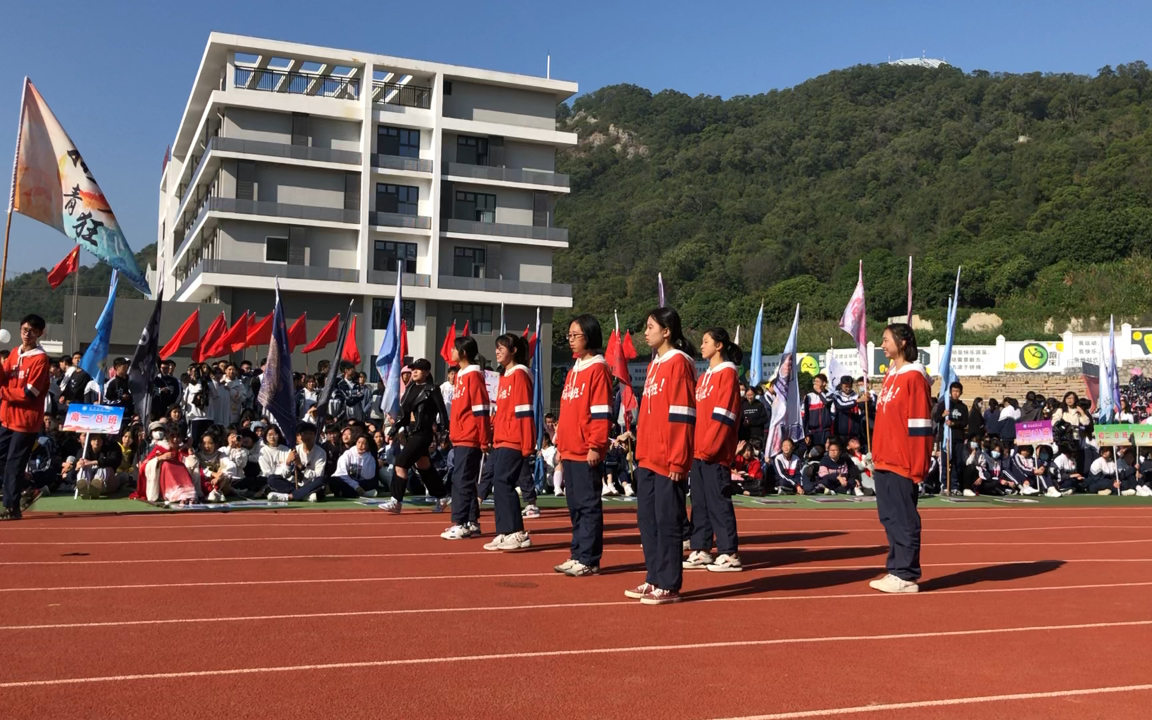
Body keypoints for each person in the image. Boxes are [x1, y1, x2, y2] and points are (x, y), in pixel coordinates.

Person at [627, 307, 695, 605]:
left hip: (668, 459)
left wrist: (679, 459)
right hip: (648, 458)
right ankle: (654, 576)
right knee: (648, 520)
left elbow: (682, 413)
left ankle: (669, 583)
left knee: (668, 521)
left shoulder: (678, 362)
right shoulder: (655, 364)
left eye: (650, 326)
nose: (645, 331)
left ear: (667, 331)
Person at [869, 323, 932, 594]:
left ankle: (906, 574)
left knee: (904, 517)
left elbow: (920, 423)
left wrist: (918, 463)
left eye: (886, 340)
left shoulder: (914, 377)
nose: (882, 345)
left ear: (903, 342)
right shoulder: (890, 375)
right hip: (883, 458)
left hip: (902, 460)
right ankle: (895, 569)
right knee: (889, 517)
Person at [554, 314, 612, 576]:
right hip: (569, 449)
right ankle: (577, 553)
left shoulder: (598, 369)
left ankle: (589, 558)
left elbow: (601, 412)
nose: (571, 340)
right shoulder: (573, 371)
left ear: (589, 336)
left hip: (585, 450)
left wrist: (595, 445)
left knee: (588, 505)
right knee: (575, 505)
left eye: (575, 335)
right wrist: (560, 444)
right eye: (569, 336)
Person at [684, 327, 743, 573]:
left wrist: (710, 446)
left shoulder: (727, 373)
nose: (702, 345)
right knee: (699, 502)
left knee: (718, 501)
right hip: (699, 451)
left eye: (706, 341)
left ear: (719, 345)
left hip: (715, 452)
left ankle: (729, 553)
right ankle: (702, 548)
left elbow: (725, 414)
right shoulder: (705, 375)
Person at [482, 334, 536, 552]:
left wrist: (527, 443)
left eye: (502, 347)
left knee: (504, 482)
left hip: (514, 438)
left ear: (513, 351)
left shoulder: (520, 374)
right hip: (502, 438)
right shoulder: (504, 376)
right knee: (499, 483)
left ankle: (517, 532)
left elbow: (524, 411)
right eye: (496, 347)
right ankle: (504, 532)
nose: (497, 351)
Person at [379, 359, 450, 514]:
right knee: (424, 466)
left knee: (401, 464)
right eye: (413, 369)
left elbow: (442, 413)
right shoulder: (411, 388)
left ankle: (396, 501)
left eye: (419, 369)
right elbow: (403, 415)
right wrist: (393, 431)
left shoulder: (432, 389)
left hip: (424, 433)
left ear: (426, 372)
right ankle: (442, 495)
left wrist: (444, 433)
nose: (414, 372)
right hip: (412, 432)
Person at [440, 337, 492, 539]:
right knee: (466, 481)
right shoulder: (461, 375)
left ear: (463, 353)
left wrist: (484, 438)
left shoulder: (473, 375)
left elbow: (481, 408)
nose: (451, 352)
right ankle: (471, 521)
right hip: (460, 436)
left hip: (470, 437)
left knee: (461, 480)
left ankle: (461, 522)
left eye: (454, 349)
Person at [0, 314, 52, 520]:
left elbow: (30, 394)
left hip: (25, 421)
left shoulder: (40, 359)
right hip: (7, 417)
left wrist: (3, 393)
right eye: (23, 330)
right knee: (5, 459)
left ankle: (12, 507)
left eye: (31, 331)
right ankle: (28, 486)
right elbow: (4, 377)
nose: (26, 334)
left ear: (39, 333)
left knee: (14, 462)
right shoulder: (14, 353)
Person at [133, 423, 198, 505]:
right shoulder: (160, 448)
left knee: (181, 466)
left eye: (178, 437)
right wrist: (159, 458)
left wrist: (191, 454)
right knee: (167, 464)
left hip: (184, 481)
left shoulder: (184, 450)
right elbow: (144, 466)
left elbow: (193, 466)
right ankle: (175, 494)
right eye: (172, 437)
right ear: (167, 437)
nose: (175, 439)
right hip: (163, 484)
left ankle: (188, 494)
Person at [267, 422, 330, 503]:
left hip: (310, 485)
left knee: (322, 480)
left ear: (315, 435)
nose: (308, 436)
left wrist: (301, 466)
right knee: (272, 479)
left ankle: (290, 496)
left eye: (310, 433)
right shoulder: (294, 450)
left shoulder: (321, 452)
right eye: (304, 433)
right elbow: (286, 475)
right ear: (299, 436)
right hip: (294, 485)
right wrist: (288, 463)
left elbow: (318, 475)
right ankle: (305, 496)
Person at [932, 381, 968, 494]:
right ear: (950, 392)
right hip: (946, 439)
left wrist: (954, 424)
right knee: (945, 462)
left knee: (957, 462)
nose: (955, 393)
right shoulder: (944, 405)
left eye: (957, 391)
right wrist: (943, 414)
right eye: (953, 391)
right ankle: (944, 484)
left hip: (958, 438)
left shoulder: (963, 407)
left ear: (961, 393)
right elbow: (936, 419)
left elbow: (965, 423)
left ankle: (955, 485)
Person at [185, 431, 238, 502]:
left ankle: (217, 491)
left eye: (210, 443)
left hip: (218, 481)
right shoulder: (198, 456)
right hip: (203, 482)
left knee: (226, 473)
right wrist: (213, 474)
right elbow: (200, 470)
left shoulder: (220, 455)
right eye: (204, 443)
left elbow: (231, 466)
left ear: (215, 444)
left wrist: (220, 476)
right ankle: (212, 493)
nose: (206, 446)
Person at [70, 433, 125, 498]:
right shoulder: (83, 452)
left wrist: (93, 462)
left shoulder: (110, 449)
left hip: (106, 484)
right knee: (84, 469)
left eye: (99, 439)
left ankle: (96, 487)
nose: (97, 441)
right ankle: (84, 487)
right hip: (89, 480)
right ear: (90, 441)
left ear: (102, 441)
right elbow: (72, 474)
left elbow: (114, 460)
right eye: (94, 439)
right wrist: (77, 467)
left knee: (104, 469)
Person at [331, 433, 380, 498]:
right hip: (347, 480)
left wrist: (364, 459)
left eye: (364, 443)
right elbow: (341, 473)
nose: (360, 445)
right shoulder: (348, 454)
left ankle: (349, 493)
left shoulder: (370, 458)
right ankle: (359, 493)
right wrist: (356, 486)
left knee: (372, 483)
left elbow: (369, 476)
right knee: (334, 481)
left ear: (368, 446)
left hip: (360, 481)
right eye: (359, 442)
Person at [803, 373, 834, 450]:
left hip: (826, 431)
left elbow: (826, 402)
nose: (815, 383)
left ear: (824, 383)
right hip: (813, 432)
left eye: (817, 381)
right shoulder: (809, 396)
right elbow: (805, 416)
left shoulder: (829, 394)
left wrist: (820, 392)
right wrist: (806, 433)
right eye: (814, 381)